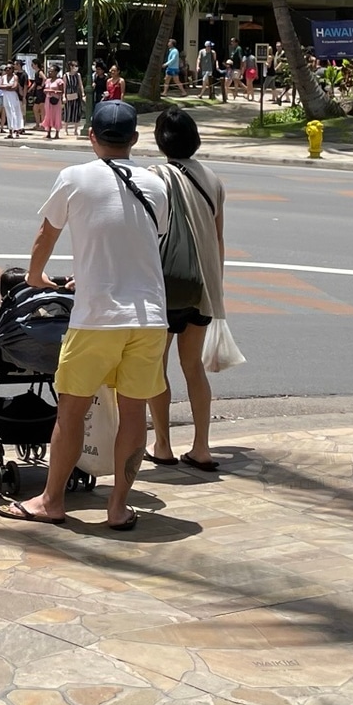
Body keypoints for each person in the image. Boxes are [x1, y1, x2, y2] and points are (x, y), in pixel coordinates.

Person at [0, 101, 168, 531]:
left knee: (71, 411)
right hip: (150, 315)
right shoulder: (156, 185)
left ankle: (52, 500)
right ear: (134, 139)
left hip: (96, 317)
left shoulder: (73, 177)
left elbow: (46, 234)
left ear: (90, 135)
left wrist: (36, 277)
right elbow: (142, 238)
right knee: (134, 413)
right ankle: (118, 507)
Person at [144, 107, 226, 471]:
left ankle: (162, 444)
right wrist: (216, 289)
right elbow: (218, 238)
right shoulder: (212, 179)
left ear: (161, 142)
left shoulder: (153, 177)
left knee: (155, 367)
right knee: (193, 367)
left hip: (163, 286)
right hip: (203, 287)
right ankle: (202, 447)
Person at [0, 62, 24, 138]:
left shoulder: (15, 77)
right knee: (8, 113)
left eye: (10, 68)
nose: (8, 70)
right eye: (6, 69)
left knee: (15, 112)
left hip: (13, 96)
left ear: (12, 69)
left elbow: (14, 87)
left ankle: (17, 130)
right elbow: (0, 86)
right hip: (6, 97)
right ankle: (10, 130)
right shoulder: (3, 77)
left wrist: (5, 87)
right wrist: (8, 86)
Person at [41, 64, 65, 139]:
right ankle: (48, 132)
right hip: (48, 99)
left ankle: (57, 133)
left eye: (52, 71)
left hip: (56, 100)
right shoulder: (48, 80)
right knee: (48, 115)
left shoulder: (59, 81)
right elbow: (44, 89)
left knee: (56, 116)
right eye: (49, 71)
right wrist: (47, 91)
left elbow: (61, 91)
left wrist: (53, 91)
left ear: (56, 72)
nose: (50, 73)